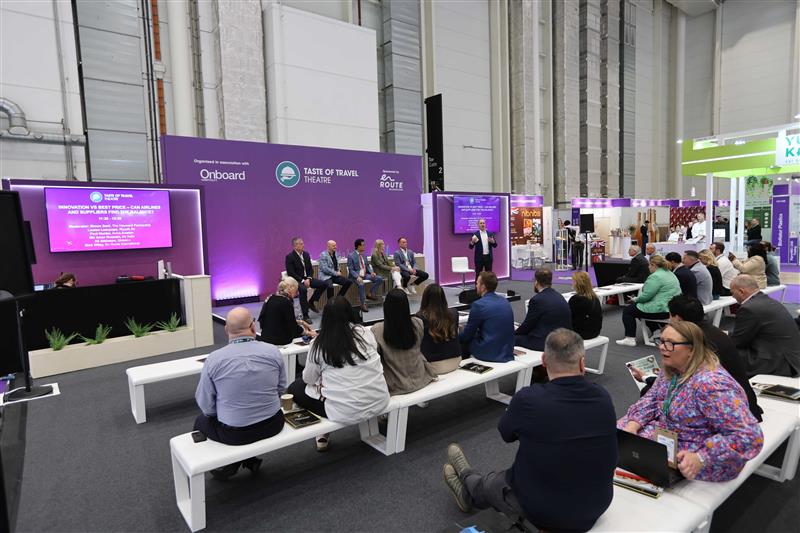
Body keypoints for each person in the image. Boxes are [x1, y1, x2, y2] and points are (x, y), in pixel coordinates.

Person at [443, 329, 617, 531]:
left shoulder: (528, 399)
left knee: (495, 482)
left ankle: (466, 481)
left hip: (545, 513)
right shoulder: (603, 397)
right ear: (581, 362)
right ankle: (467, 480)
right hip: (597, 505)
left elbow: (506, 434)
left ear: (543, 361)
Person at [618, 321, 764, 482]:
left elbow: (748, 436)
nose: (662, 347)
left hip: (698, 452)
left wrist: (701, 457)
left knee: (617, 452)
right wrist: (633, 425)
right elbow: (652, 398)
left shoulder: (711, 384)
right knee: (616, 435)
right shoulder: (673, 369)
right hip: (672, 434)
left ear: (692, 349)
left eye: (671, 343)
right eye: (661, 341)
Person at [629, 295, 762, 421]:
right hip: (744, 398)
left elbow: (682, 384)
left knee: (650, 394)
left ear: (678, 318)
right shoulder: (713, 332)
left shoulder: (697, 342)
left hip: (735, 408)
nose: (663, 347)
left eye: (670, 315)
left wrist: (647, 378)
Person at [287, 296, 390, 452]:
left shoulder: (319, 344)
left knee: (296, 387)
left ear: (325, 318)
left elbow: (309, 379)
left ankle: (322, 433)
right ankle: (323, 432)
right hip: (379, 398)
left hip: (344, 410)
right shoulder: (364, 332)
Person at [194, 307, 286, 479]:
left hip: (235, 433)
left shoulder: (214, 359)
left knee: (201, 421)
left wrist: (223, 414)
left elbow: (205, 404)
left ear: (226, 329)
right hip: (274, 423)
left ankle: (226, 468)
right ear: (252, 327)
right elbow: (281, 388)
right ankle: (248, 461)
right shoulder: (273, 351)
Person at [729, 274, 800, 377]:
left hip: (779, 363)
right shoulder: (771, 302)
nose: (732, 296)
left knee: (725, 349)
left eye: (732, 293)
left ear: (741, 291)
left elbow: (738, 342)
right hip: (791, 357)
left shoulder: (748, 308)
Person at [372, 289, 437, 395]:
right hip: (420, 378)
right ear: (406, 305)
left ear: (386, 307)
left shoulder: (377, 330)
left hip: (396, 384)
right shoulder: (417, 323)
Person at [616, 255, 681, 347]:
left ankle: (630, 338)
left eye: (649, 265)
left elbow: (646, 296)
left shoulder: (655, 276)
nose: (648, 267)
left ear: (654, 265)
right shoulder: (670, 273)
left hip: (661, 309)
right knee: (639, 308)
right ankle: (656, 331)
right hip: (671, 308)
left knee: (628, 311)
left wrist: (635, 299)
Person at [459, 272, 515, 362]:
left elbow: (467, 335)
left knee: (463, 340)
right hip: (507, 351)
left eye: (477, 283)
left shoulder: (478, 305)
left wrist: (453, 336)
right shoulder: (504, 301)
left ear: (483, 286)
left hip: (489, 352)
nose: (476, 286)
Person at [515, 269, 572, 351]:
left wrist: (515, 332)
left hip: (547, 342)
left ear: (536, 282)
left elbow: (527, 325)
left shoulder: (536, 300)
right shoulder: (559, 296)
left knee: (512, 338)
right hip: (564, 338)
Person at [416, 283, 462, 374]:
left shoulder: (420, 317)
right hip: (456, 360)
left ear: (425, 298)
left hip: (433, 365)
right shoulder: (454, 313)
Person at [257, 277, 317, 346]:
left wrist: (302, 322)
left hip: (265, 336)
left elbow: (278, 319)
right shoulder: (286, 302)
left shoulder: (271, 297)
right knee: (305, 336)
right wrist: (309, 333)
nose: (296, 294)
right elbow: (293, 327)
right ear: (291, 288)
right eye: (296, 290)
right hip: (278, 340)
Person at [285, 237, 327, 320]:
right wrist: (303, 281)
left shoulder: (306, 254)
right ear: (295, 246)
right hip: (296, 280)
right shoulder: (290, 257)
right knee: (303, 290)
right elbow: (291, 273)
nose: (303, 245)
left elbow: (310, 269)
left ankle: (311, 301)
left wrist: (309, 278)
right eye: (301, 243)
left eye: (302, 243)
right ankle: (305, 315)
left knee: (324, 284)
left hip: (307, 278)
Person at [347, 239, 384, 313]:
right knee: (361, 284)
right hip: (355, 276)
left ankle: (370, 293)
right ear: (358, 246)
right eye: (363, 245)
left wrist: (371, 272)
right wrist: (357, 277)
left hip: (365, 274)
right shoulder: (351, 256)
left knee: (379, 279)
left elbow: (367, 266)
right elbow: (351, 269)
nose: (364, 246)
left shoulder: (364, 255)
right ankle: (363, 304)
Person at [569, 271, 602, 340]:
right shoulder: (595, 297)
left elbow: (568, 318)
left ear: (577, 284)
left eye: (573, 281)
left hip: (582, 334)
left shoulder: (575, 300)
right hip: (595, 331)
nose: (572, 283)